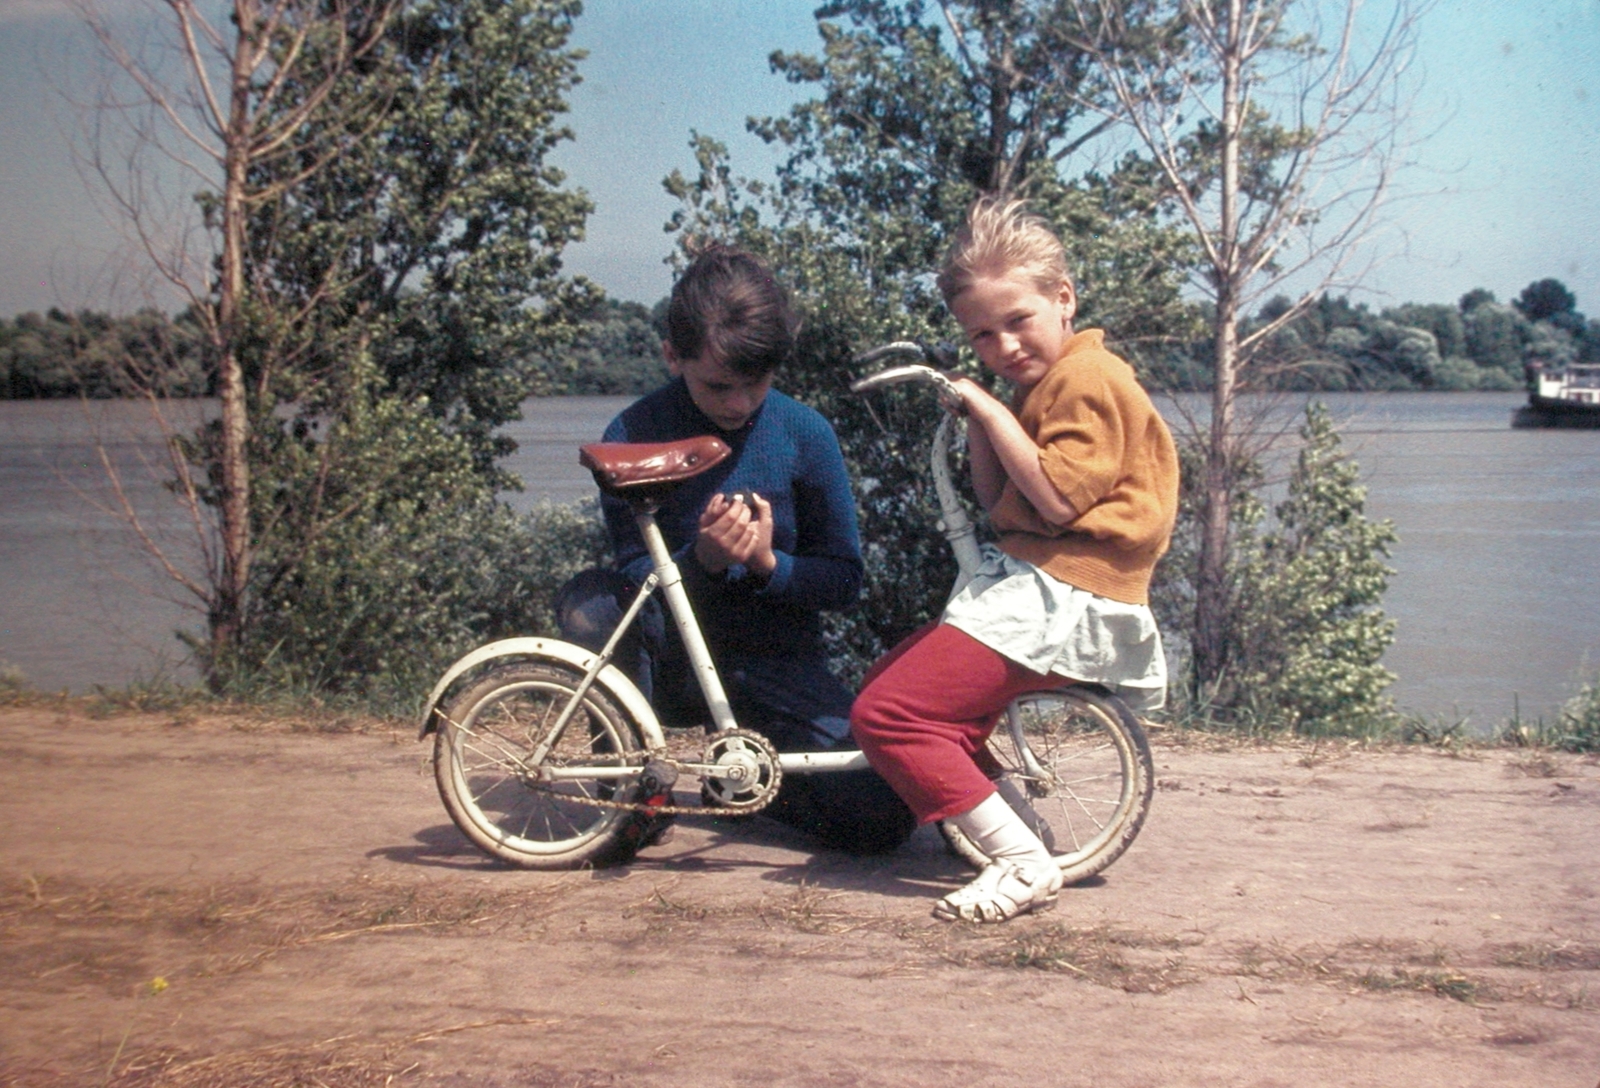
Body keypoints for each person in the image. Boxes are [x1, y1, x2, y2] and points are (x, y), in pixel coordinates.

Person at [850, 197, 1179, 923]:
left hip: (1068, 591)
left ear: (1064, 299)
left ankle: (1021, 862)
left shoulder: (1088, 379)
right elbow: (1004, 505)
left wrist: (993, 411)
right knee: (895, 688)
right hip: (1042, 579)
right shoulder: (1039, 388)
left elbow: (1059, 502)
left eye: (1017, 321)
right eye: (982, 336)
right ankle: (1006, 829)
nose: (1002, 346)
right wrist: (982, 417)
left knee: (889, 714)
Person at [558, 246, 916, 856]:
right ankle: (631, 791)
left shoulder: (805, 433)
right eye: (718, 385)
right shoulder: (630, 434)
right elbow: (631, 580)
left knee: (883, 816)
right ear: (673, 355)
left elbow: (844, 580)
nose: (738, 405)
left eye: (758, 383)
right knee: (590, 601)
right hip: (670, 661)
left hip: (774, 662)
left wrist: (769, 565)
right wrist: (703, 561)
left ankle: (744, 785)